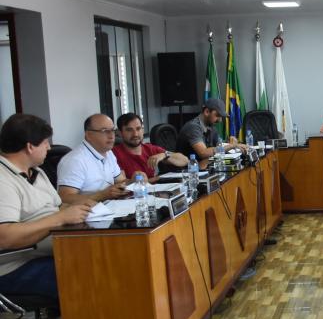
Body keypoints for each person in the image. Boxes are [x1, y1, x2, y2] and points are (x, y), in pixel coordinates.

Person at [0, 114, 93, 298]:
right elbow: (5, 237)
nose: (49, 148)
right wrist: (60, 219)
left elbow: (58, 208)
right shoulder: (3, 179)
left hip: (55, 250)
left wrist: (83, 208)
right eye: (45, 143)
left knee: (105, 260)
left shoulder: (37, 172)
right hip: (15, 267)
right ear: (30, 146)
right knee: (90, 276)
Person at [57, 113, 130, 204]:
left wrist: (134, 181)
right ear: (89, 135)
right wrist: (102, 195)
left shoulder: (108, 153)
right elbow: (64, 198)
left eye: (112, 130)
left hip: (113, 206)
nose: (111, 136)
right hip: (90, 211)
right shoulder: (74, 160)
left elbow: (120, 181)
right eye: (105, 131)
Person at [113, 113, 188, 181]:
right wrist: (152, 180)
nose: (135, 134)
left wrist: (164, 155)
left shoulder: (149, 148)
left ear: (142, 130)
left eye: (138, 129)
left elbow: (185, 161)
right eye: (129, 130)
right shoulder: (114, 154)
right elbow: (121, 184)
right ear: (120, 133)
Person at [176, 98, 244, 166]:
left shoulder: (211, 126)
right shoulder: (193, 127)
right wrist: (232, 145)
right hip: (187, 170)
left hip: (203, 167)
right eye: (217, 115)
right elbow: (203, 153)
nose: (220, 120)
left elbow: (219, 145)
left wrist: (233, 144)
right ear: (207, 112)